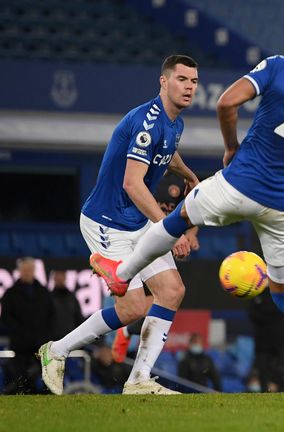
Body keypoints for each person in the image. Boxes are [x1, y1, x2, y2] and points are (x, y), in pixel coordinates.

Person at [88, 7, 284, 406]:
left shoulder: (281, 66)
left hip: (238, 184)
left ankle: (122, 275)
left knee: (177, 219)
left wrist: (231, 147)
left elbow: (226, 103)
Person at [38, 54, 201, 396]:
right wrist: (170, 229)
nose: (188, 87)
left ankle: (139, 380)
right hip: (106, 222)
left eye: (194, 81)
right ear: (163, 81)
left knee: (172, 291)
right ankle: (56, 351)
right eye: (182, 79)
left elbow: (166, 152)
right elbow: (132, 183)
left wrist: (187, 174)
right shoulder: (146, 121)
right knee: (132, 308)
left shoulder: (175, 123)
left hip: (137, 220)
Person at [111, 173, 202, 363]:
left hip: (167, 243)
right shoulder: (141, 175)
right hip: (139, 238)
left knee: (168, 297)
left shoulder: (181, 180)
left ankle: (135, 351)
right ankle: (127, 334)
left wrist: (191, 234)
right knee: (136, 306)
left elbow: (193, 212)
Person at [1, 257, 54, 394]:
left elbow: (51, 315)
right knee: (20, 375)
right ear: (19, 271)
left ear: (34, 271)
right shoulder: (10, 294)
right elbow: (6, 318)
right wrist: (20, 331)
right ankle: (22, 394)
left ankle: (45, 396)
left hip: (40, 343)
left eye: (29, 270)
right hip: (21, 344)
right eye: (24, 270)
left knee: (45, 374)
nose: (27, 272)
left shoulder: (43, 292)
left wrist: (45, 334)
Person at [248, 290, 284, 392]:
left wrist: (266, 315)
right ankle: (264, 392)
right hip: (262, 340)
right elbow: (251, 314)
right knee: (262, 369)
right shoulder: (255, 293)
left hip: (281, 339)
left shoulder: (280, 292)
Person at [49, 270, 84, 341]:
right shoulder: (48, 298)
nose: (59, 279)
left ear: (65, 278)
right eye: (57, 277)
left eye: (61, 277)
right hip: (53, 340)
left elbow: (78, 318)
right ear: (54, 279)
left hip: (70, 338)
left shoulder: (72, 298)